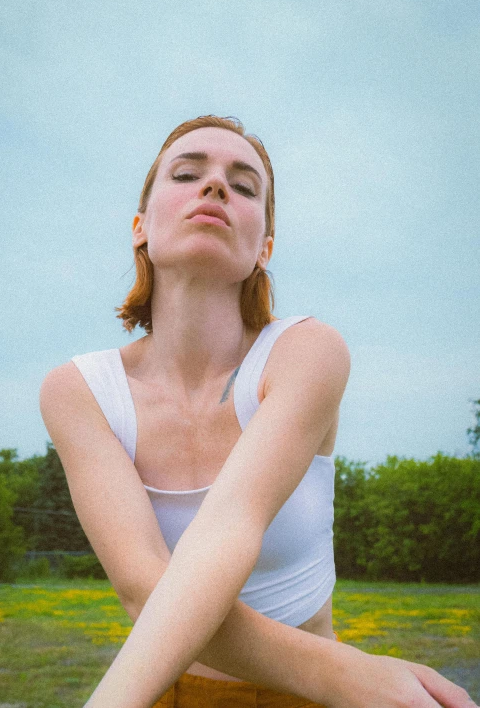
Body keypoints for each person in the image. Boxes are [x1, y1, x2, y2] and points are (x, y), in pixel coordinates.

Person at [39, 115, 476, 708]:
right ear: (140, 227)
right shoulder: (78, 389)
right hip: (169, 691)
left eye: (244, 187)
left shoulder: (306, 351)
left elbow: (229, 525)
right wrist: (344, 672)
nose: (215, 186)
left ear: (263, 248)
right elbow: (144, 587)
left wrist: (331, 682)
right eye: (188, 173)